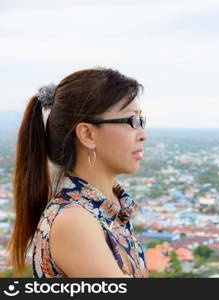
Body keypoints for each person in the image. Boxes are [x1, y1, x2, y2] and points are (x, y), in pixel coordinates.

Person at [6, 67, 148, 278]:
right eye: (132, 121)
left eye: (141, 121)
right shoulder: (74, 220)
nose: (142, 135)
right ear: (87, 134)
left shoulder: (107, 210)